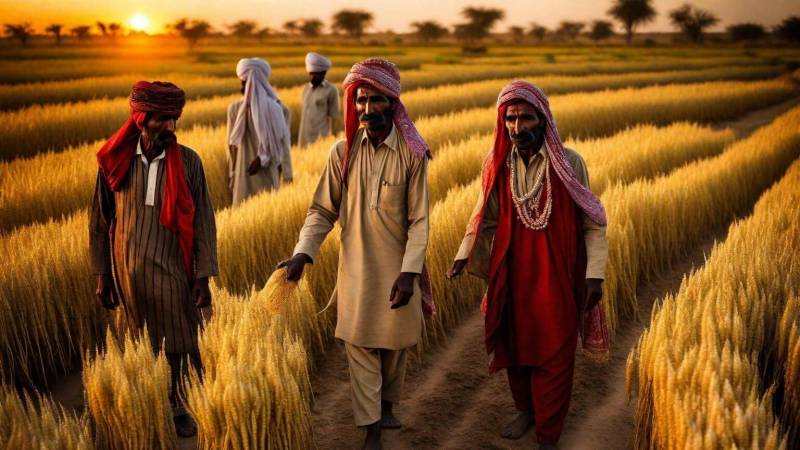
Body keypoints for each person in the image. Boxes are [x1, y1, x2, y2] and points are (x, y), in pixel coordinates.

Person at [279, 58, 433, 450]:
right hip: (357, 272)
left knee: (395, 347)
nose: (366, 109)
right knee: (360, 346)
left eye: (375, 100)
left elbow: (419, 221)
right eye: (360, 100)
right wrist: (303, 254)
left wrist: (410, 273)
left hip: (398, 269)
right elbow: (321, 211)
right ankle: (372, 429)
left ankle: (387, 404)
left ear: (393, 103)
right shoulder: (342, 152)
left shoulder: (412, 155)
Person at [447, 80, 610, 450]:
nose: (518, 128)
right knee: (514, 342)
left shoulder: (569, 162)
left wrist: (595, 275)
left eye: (526, 118)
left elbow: (593, 220)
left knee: (556, 349)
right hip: (512, 270)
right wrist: (463, 253)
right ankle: (526, 409)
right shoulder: (498, 163)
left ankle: (548, 434)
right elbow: (483, 215)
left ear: (543, 119)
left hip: (558, 272)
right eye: (511, 119)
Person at [89, 81, 218, 437]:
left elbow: (205, 219)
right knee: (139, 338)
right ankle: (147, 404)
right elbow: (100, 221)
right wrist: (102, 274)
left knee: (178, 337)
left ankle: (178, 404)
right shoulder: (115, 161)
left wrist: (203, 276)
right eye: (162, 119)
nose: (170, 128)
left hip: (173, 264)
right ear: (141, 120)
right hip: (126, 267)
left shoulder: (189, 162)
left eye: (174, 119)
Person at [227, 57, 292, 206]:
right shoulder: (235, 110)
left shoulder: (279, 110)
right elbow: (231, 146)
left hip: (263, 173)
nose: (242, 87)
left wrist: (287, 175)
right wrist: (232, 174)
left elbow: (284, 145)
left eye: (244, 82)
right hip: (244, 175)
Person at [297, 52, 340, 147]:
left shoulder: (331, 90)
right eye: (311, 74)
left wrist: (332, 139)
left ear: (324, 73)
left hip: (320, 140)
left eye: (316, 74)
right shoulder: (305, 89)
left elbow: (334, 117)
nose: (313, 77)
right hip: (303, 138)